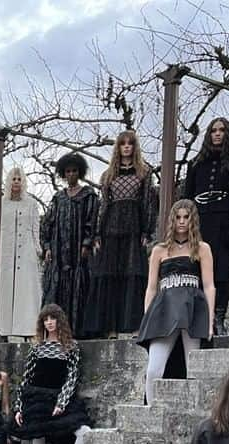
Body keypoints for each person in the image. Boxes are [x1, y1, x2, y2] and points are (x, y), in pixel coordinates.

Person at [137, 200, 215, 405]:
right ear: (172, 220)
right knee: (154, 368)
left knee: (193, 367)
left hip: (193, 309)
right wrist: (147, 319)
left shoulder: (202, 248)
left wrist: (210, 321)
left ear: (193, 220)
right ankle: (150, 411)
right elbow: (151, 287)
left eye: (186, 217)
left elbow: (209, 286)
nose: (182, 221)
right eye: (178, 217)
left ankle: (193, 411)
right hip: (164, 308)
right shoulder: (159, 250)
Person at [83, 130, 158, 337]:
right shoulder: (108, 175)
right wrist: (97, 235)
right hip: (111, 229)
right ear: (118, 147)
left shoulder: (144, 173)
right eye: (123, 144)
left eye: (130, 143)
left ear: (134, 147)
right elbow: (103, 205)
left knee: (133, 274)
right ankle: (111, 327)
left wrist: (147, 230)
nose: (126, 147)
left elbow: (148, 203)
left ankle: (134, 325)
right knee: (110, 276)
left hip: (134, 229)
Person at [183, 118, 229, 336]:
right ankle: (198, 316)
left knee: (222, 270)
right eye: (213, 131)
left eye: (221, 130)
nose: (217, 134)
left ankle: (218, 316)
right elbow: (186, 197)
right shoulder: (196, 162)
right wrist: (186, 225)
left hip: (222, 220)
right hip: (200, 220)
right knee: (196, 269)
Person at [10, 305, 92, 444]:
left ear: (59, 320)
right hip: (36, 398)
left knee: (84, 431)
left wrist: (61, 403)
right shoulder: (37, 347)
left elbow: (72, 377)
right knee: (38, 440)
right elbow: (26, 378)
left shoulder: (71, 347)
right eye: (45, 319)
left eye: (52, 318)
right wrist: (19, 407)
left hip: (60, 397)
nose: (49, 322)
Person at [0, 166, 42, 340]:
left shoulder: (31, 204)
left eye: (19, 179)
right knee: (1, 287)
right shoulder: (0, 203)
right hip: (4, 251)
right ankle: (1, 327)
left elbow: (36, 228)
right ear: (8, 181)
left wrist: (38, 249)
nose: (16, 182)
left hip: (25, 249)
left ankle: (27, 328)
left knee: (26, 287)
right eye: (13, 179)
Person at [41, 153, 99, 337]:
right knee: (57, 288)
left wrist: (87, 243)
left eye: (74, 171)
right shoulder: (58, 198)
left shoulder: (88, 195)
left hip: (79, 253)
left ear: (79, 172)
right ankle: (57, 331)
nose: (71, 174)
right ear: (63, 174)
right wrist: (47, 246)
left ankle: (80, 330)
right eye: (68, 171)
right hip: (59, 252)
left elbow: (92, 220)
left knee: (80, 285)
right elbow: (47, 223)